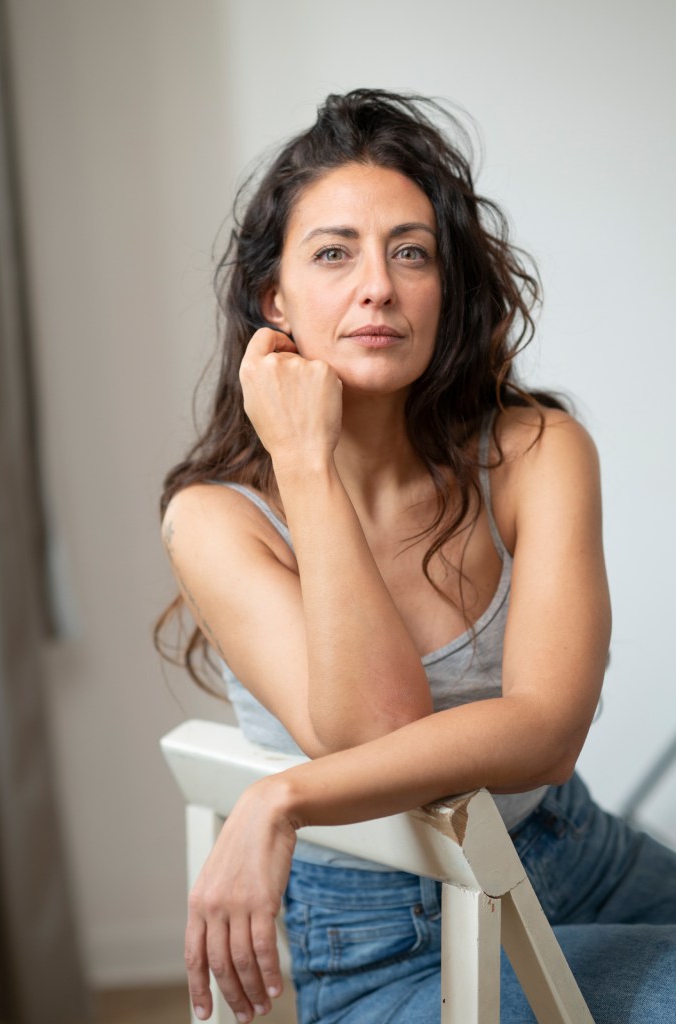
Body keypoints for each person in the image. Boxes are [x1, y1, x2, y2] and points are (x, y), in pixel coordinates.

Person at [156, 89, 676, 1023]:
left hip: (581, 862)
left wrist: (281, 798)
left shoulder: (535, 451)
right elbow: (380, 728)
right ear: (274, 300)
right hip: (390, 941)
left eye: (410, 252)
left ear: (446, 288)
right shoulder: (215, 521)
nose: (378, 287)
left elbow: (546, 734)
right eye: (333, 253)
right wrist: (305, 463)